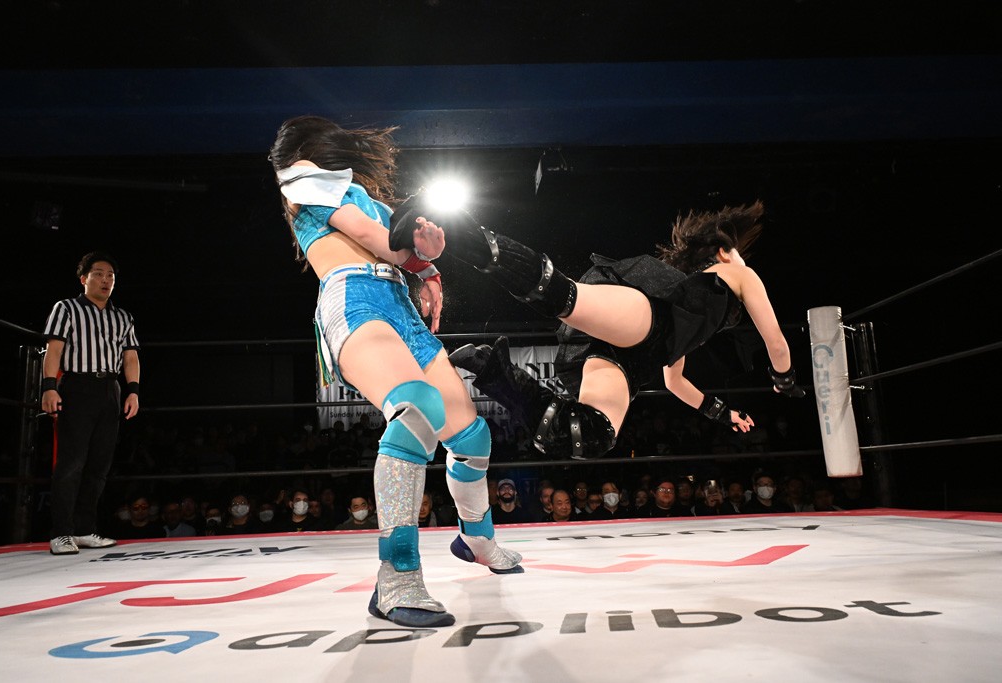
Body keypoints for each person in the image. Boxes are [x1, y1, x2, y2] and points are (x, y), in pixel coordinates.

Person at [269, 115, 522, 628]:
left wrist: (429, 266)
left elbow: (407, 249)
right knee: (416, 408)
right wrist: (420, 255)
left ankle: (476, 539)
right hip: (355, 298)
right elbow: (381, 241)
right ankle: (397, 578)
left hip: (399, 308)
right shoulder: (299, 181)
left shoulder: (366, 197)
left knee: (470, 434)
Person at [436, 201, 805, 460]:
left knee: (586, 436)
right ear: (724, 251)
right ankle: (462, 235)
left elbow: (675, 381)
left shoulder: (695, 314)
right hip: (646, 319)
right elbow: (776, 342)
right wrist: (784, 380)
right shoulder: (737, 274)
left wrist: (725, 414)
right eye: (737, 252)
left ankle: (493, 369)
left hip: (632, 362)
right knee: (561, 295)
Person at [41, 251, 141, 555]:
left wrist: (133, 391)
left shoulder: (122, 316)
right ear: (84, 278)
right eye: (99, 274)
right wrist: (49, 388)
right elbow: (54, 350)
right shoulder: (66, 309)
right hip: (78, 386)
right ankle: (61, 533)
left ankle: (84, 530)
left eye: (111, 276)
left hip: (110, 388)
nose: (106, 280)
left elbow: (130, 357)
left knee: (99, 465)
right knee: (71, 462)